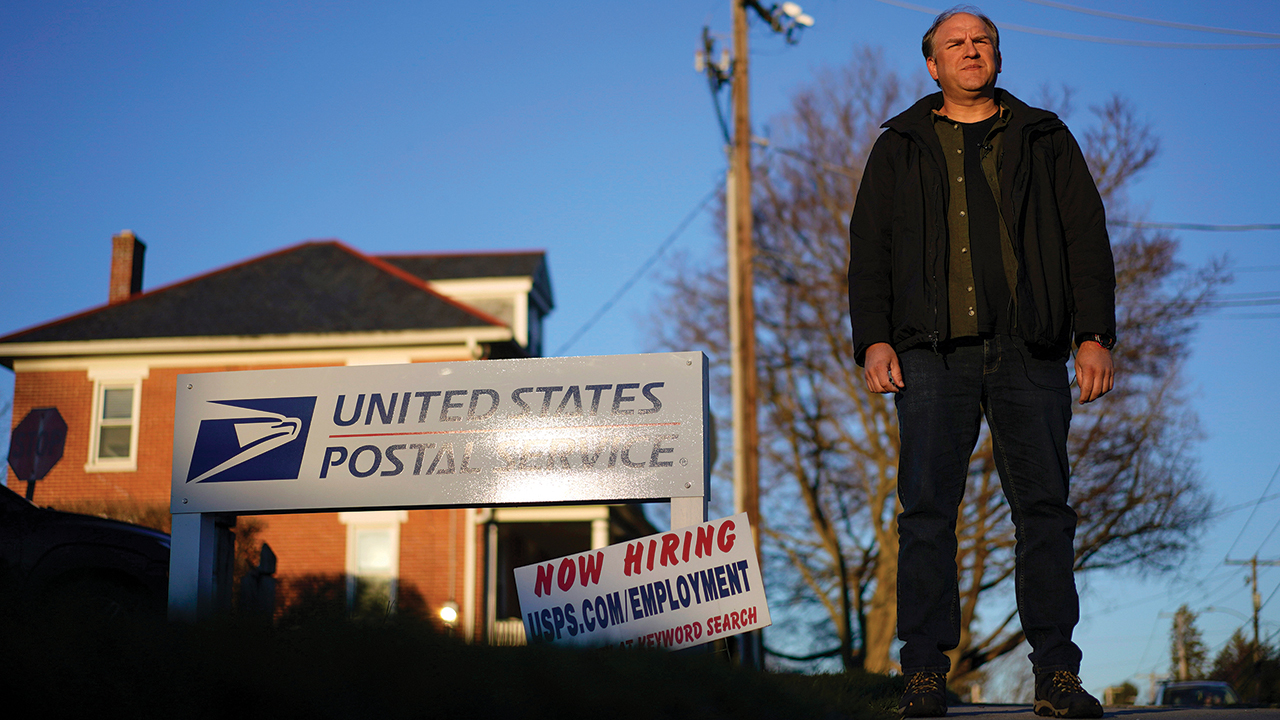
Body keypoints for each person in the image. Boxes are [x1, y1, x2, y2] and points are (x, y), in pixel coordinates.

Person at [847, 6, 1114, 718]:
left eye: (982, 41)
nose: (971, 50)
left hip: (1031, 350)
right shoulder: (900, 145)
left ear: (997, 56)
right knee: (928, 513)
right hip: (929, 357)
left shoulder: (1045, 138)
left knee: (1045, 513)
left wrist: (1095, 335)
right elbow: (868, 251)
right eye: (955, 44)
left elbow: (1086, 237)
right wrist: (872, 337)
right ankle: (925, 674)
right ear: (932, 65)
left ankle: (1057, 675)